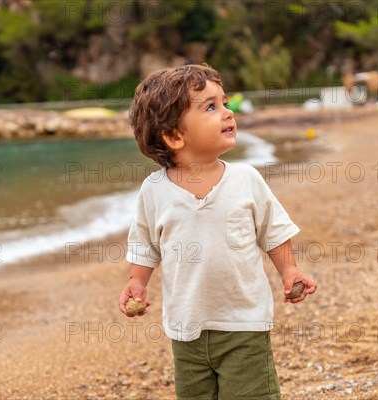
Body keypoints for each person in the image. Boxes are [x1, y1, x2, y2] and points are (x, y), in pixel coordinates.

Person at [118, 64, 317, 399]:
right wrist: (137, 282)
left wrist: (289, 269)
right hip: (186, 329)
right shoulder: (154, 191)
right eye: (211, 107)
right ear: (174, 136)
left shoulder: (245, 180)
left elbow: (273, 230)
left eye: (224, 103)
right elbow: (145, 245)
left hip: (243, 324)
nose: (228, 113)